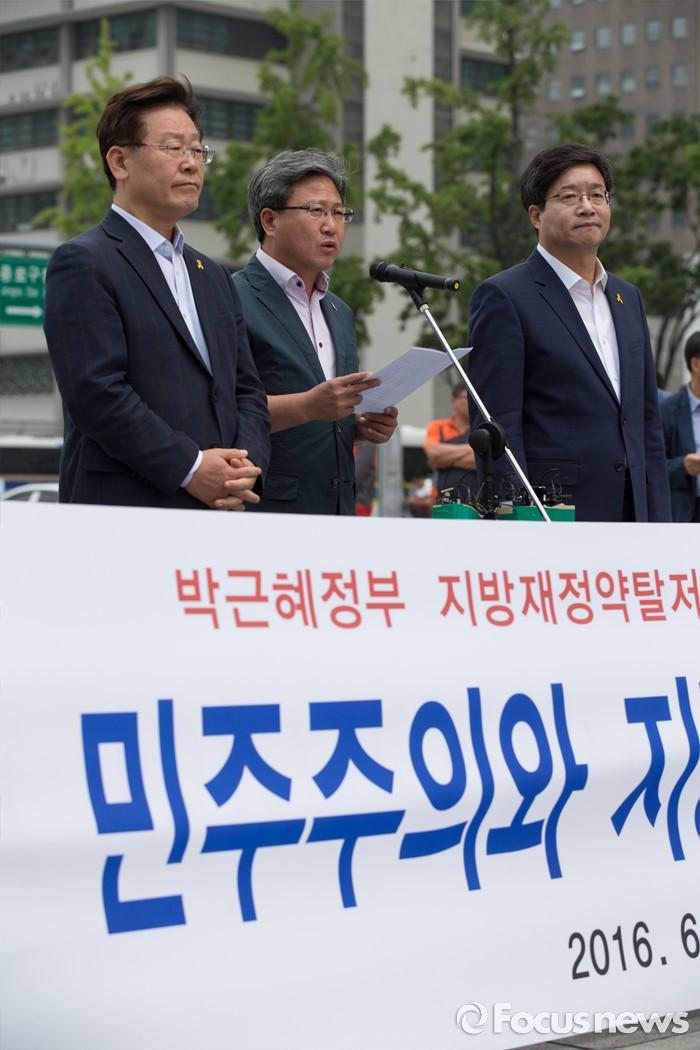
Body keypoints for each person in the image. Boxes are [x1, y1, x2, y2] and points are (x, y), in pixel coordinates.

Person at [44, 76, 270, 510]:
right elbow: (97, 393)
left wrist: (244, 469)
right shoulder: (84, 261)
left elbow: (247, 391)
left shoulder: (214, 276)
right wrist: (190, 467)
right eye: (172, 148)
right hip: (124, 511)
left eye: (198, 150)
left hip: (219, 511)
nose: (191, 164)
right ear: (119, 162)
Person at [467, 142, 671, 523]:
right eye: (569, 196)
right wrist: (519, 522)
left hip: (635, 519)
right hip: (557, 517)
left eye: (597, 195)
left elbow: (648, 425)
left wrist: (660, 523)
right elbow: (498, 429)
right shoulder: (505, 297)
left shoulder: (628, 297)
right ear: (536, 214)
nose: (587, 206)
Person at [232, 149, 398, 515]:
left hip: (338, 510)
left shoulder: (339, 311)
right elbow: (221, 408)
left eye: (339, 213)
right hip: (268, 512)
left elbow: (325, 413)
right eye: (316, 210)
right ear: (270, 220)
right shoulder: (230, 297)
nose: (331, 226)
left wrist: (356, 425)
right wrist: (309, 406)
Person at [660, 333, 700, 523]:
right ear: (696, 364)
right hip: (683, 517)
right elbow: (651, 468)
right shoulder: (667, 410)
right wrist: (683, 466)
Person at [423, 382, 478, 502]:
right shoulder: (438, 426)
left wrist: (443, 461)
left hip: (477, 502)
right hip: (442, 502)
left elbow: (481, 461)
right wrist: (472, 449)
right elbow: (433, 453)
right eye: (468, 398)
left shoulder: (481, 429)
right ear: (454, 401)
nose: (473, 403)